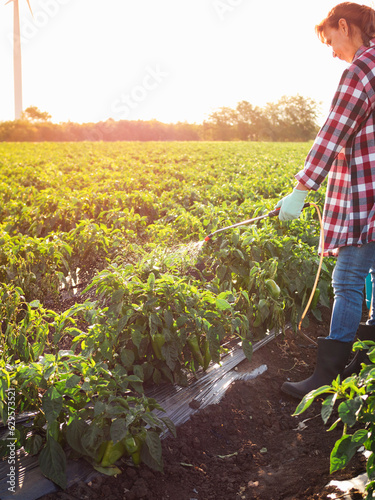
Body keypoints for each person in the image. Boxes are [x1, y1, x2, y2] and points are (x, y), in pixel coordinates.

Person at [277, 2, 375, 399]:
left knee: (348, 278)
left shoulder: (361, 70)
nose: (332, 51)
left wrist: (302, 188)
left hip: (366, 197)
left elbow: (333, 133)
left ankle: (329, 380)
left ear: (344, 26)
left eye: (331, 40)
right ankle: (364, 371)